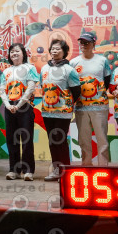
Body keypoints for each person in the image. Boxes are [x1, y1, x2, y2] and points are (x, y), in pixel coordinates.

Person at [70, 32, 112, 166]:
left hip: (100, 106)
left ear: (94, 44)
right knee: (83, 139)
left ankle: (103, 166)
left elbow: (107, 80)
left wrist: (97, 94)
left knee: (102, 138)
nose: (83, 45)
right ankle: (86, 165)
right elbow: (71, 84)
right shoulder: (73, 62)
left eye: (87, 42)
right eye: (81, 42)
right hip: (81, 106)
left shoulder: (102, 61)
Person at [41, 39, 81, 181]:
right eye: (53, 48)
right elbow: (43, 86)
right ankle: (56, 169)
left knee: (60, 140)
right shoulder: (44, 69)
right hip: (47, 111)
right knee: (52, 141)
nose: (54, 51)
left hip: (63, 112)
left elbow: (76, 91)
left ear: (64, 52)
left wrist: (65, 103)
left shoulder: (69, 70)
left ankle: (65, 172)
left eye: (58, 49)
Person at [0, 43, 40, 181]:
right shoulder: (6, 71)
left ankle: (28, 171)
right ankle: (14, 170)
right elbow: (2, 90)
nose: (14, 53)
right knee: (11, 139)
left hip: (25, 107)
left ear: (23, 53)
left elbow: (30, 88)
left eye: (17, 51)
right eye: (12, 51)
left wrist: (19, 104)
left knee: (26, 139)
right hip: (9, 108)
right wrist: (8, 105)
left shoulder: (30, 68)